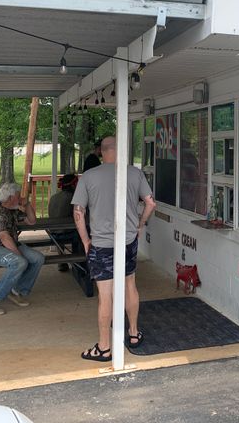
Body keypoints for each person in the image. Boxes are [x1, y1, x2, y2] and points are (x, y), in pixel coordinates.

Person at [72, 136, 156, 362]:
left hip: (101, 243)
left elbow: (78, 211)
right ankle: (133, 333)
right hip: (128, 240)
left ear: (101, 152)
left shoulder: (89, 176)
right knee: (130, 284)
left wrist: (86, 240)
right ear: (120, 151)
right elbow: (150, 203)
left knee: (105, 295)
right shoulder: (135, 173)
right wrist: (141, 224)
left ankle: (104, 347)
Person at [0, 182, 45, 315]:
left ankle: (17, 290)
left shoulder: (12, 208)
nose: (20, 197)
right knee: (19, 262)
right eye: (18, 195)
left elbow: (32, 221)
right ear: (10, 198)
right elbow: (4, 237)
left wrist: (26, 204)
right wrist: (18, 254)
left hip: (9, 243)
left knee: (38, 258)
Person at [47, 173, 79, 271]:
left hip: (53, 234)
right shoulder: (73, 198)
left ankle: (62, 262)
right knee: (82, 233)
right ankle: (78, 262)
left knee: (60, 228)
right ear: (74, 185)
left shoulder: (54, 197)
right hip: (67, 233)